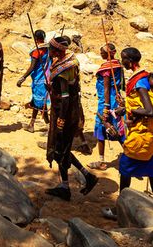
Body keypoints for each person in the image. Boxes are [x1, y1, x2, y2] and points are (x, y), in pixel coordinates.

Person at [44, 36, 98, 201]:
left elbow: (65, 97)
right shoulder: (71, 60)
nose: (48, 52)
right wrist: (52, 89)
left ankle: (84, 177)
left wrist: (60, 121)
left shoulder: (62, 70)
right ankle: (66, 185)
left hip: (65, 113)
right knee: (63, 149)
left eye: (51, 49)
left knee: (60, 148)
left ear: (57, 51)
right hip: (72, 110)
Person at [116, 48, 153, 199]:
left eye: (123, 58)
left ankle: (121, 203)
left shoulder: (140, 82)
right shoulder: (141, 77)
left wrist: (131, 112)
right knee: (152, 168)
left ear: (130, 61)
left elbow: (149, 110)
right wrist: (125, 107)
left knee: (126, 167)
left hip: (143, 130)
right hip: (149, 130)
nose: (121, 61)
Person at [89, 43, 124, 171]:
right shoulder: (118, 65)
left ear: (108, 53)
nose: (100, 53)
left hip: (106, 102)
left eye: (102, 51)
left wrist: (105, 108)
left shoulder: (107, 68)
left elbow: (106, 89)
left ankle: (102, 162)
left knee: (101, 129)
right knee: (117, 129)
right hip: (117, 101)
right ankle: (131, 157)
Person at [17, 29, 50, 133]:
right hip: (45, 78)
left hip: (38, 80)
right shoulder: (48, 49)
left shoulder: (37, 51)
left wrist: (22, 78)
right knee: (36, 102)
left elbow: (32, 67)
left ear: (36, 39)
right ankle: (31, 124)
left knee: (41, 104)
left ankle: (49, 127)